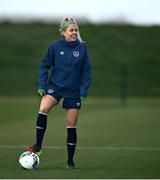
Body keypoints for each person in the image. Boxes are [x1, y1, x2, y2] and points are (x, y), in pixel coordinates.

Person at [27, 16, 92, 169]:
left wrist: (83, 90)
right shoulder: (55, 46)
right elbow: (44, 66)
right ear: (63, 32)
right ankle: (38, 145)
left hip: (73, 91)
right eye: (71, 30)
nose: (75, 32)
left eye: (76, 30)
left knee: (71, 124)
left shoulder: (82, 48)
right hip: (55, 87)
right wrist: (43, 85)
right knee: (43, 108)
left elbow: (87, 72)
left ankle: (70, 161)